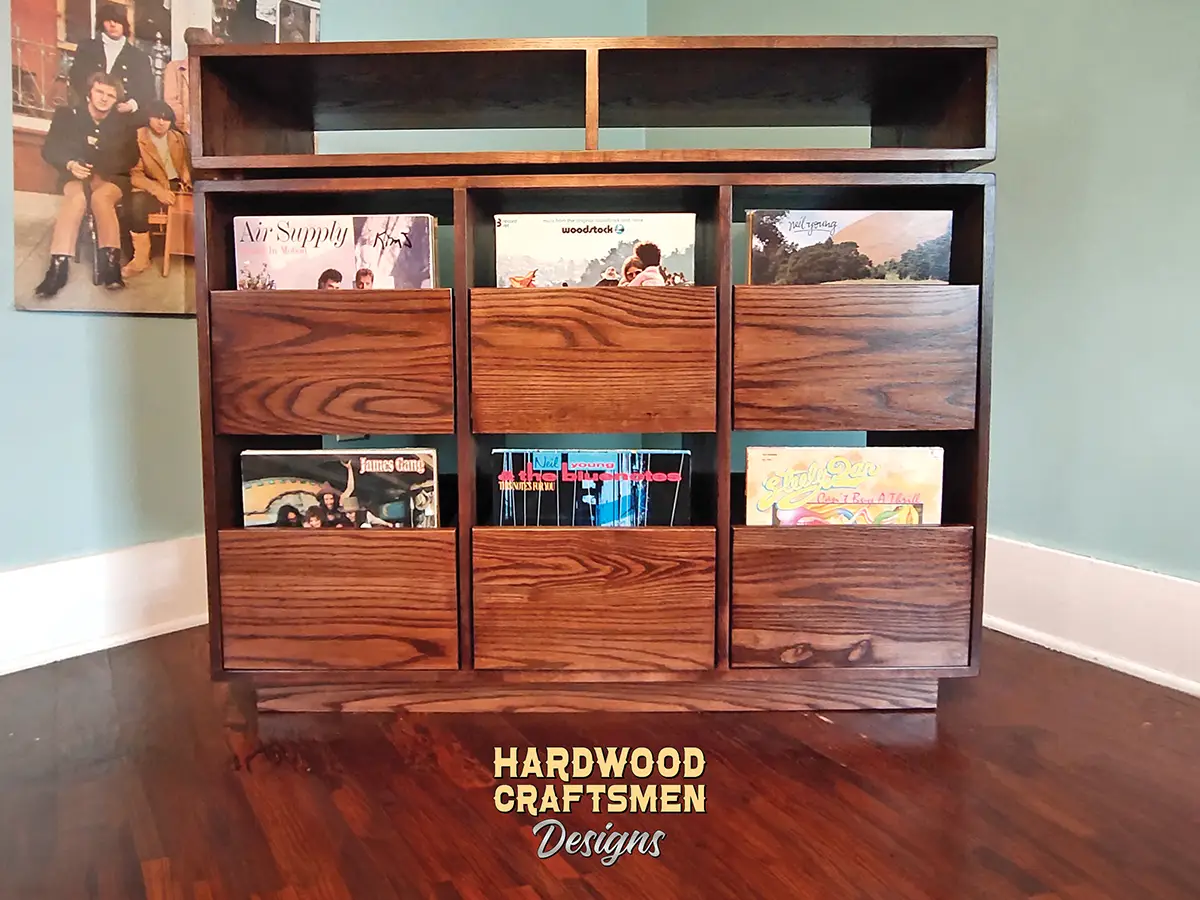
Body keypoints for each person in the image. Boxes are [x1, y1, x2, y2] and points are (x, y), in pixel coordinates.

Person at [35, 72, 139, 297]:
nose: (104, 98)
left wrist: (101, 163)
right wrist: (70, 163)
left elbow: (131, 157)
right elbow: (50, 148)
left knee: (102, 199)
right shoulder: (67, 115)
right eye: (99, 91)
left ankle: (111, 267)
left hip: (110, 178)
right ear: (89, 93)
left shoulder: (124, 123)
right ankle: (57, 269)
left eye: (110, 95)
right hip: (75, 175)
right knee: (76, 199)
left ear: (116, 100)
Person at [123, 100, 192, 279]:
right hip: (150, 185)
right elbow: (135, 175)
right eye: (157, 117)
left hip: (175, 184)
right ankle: (141, 257)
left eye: (166, 119)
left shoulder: (177, 137)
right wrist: (158, 191)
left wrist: (187, 179)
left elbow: (183, 165)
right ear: (148, 117)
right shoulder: (138, 137)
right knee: (136, 203)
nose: (161, 123)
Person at [68, 4, 155, 123]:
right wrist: (89, 98)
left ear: (124, 25)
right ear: (102, 23)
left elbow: (147, 90)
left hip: (121, 119)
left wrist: (131, 105)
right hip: (87, 113)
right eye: (108, 20)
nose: (113, 24)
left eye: (117, 21)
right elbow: (76, 76)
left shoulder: (139, 57)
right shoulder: (87, 48)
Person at [163, 28, 222, 134]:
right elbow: (171, 101)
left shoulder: (215, 71)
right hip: (186, 130)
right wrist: (187, 125)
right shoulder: (174, 68)